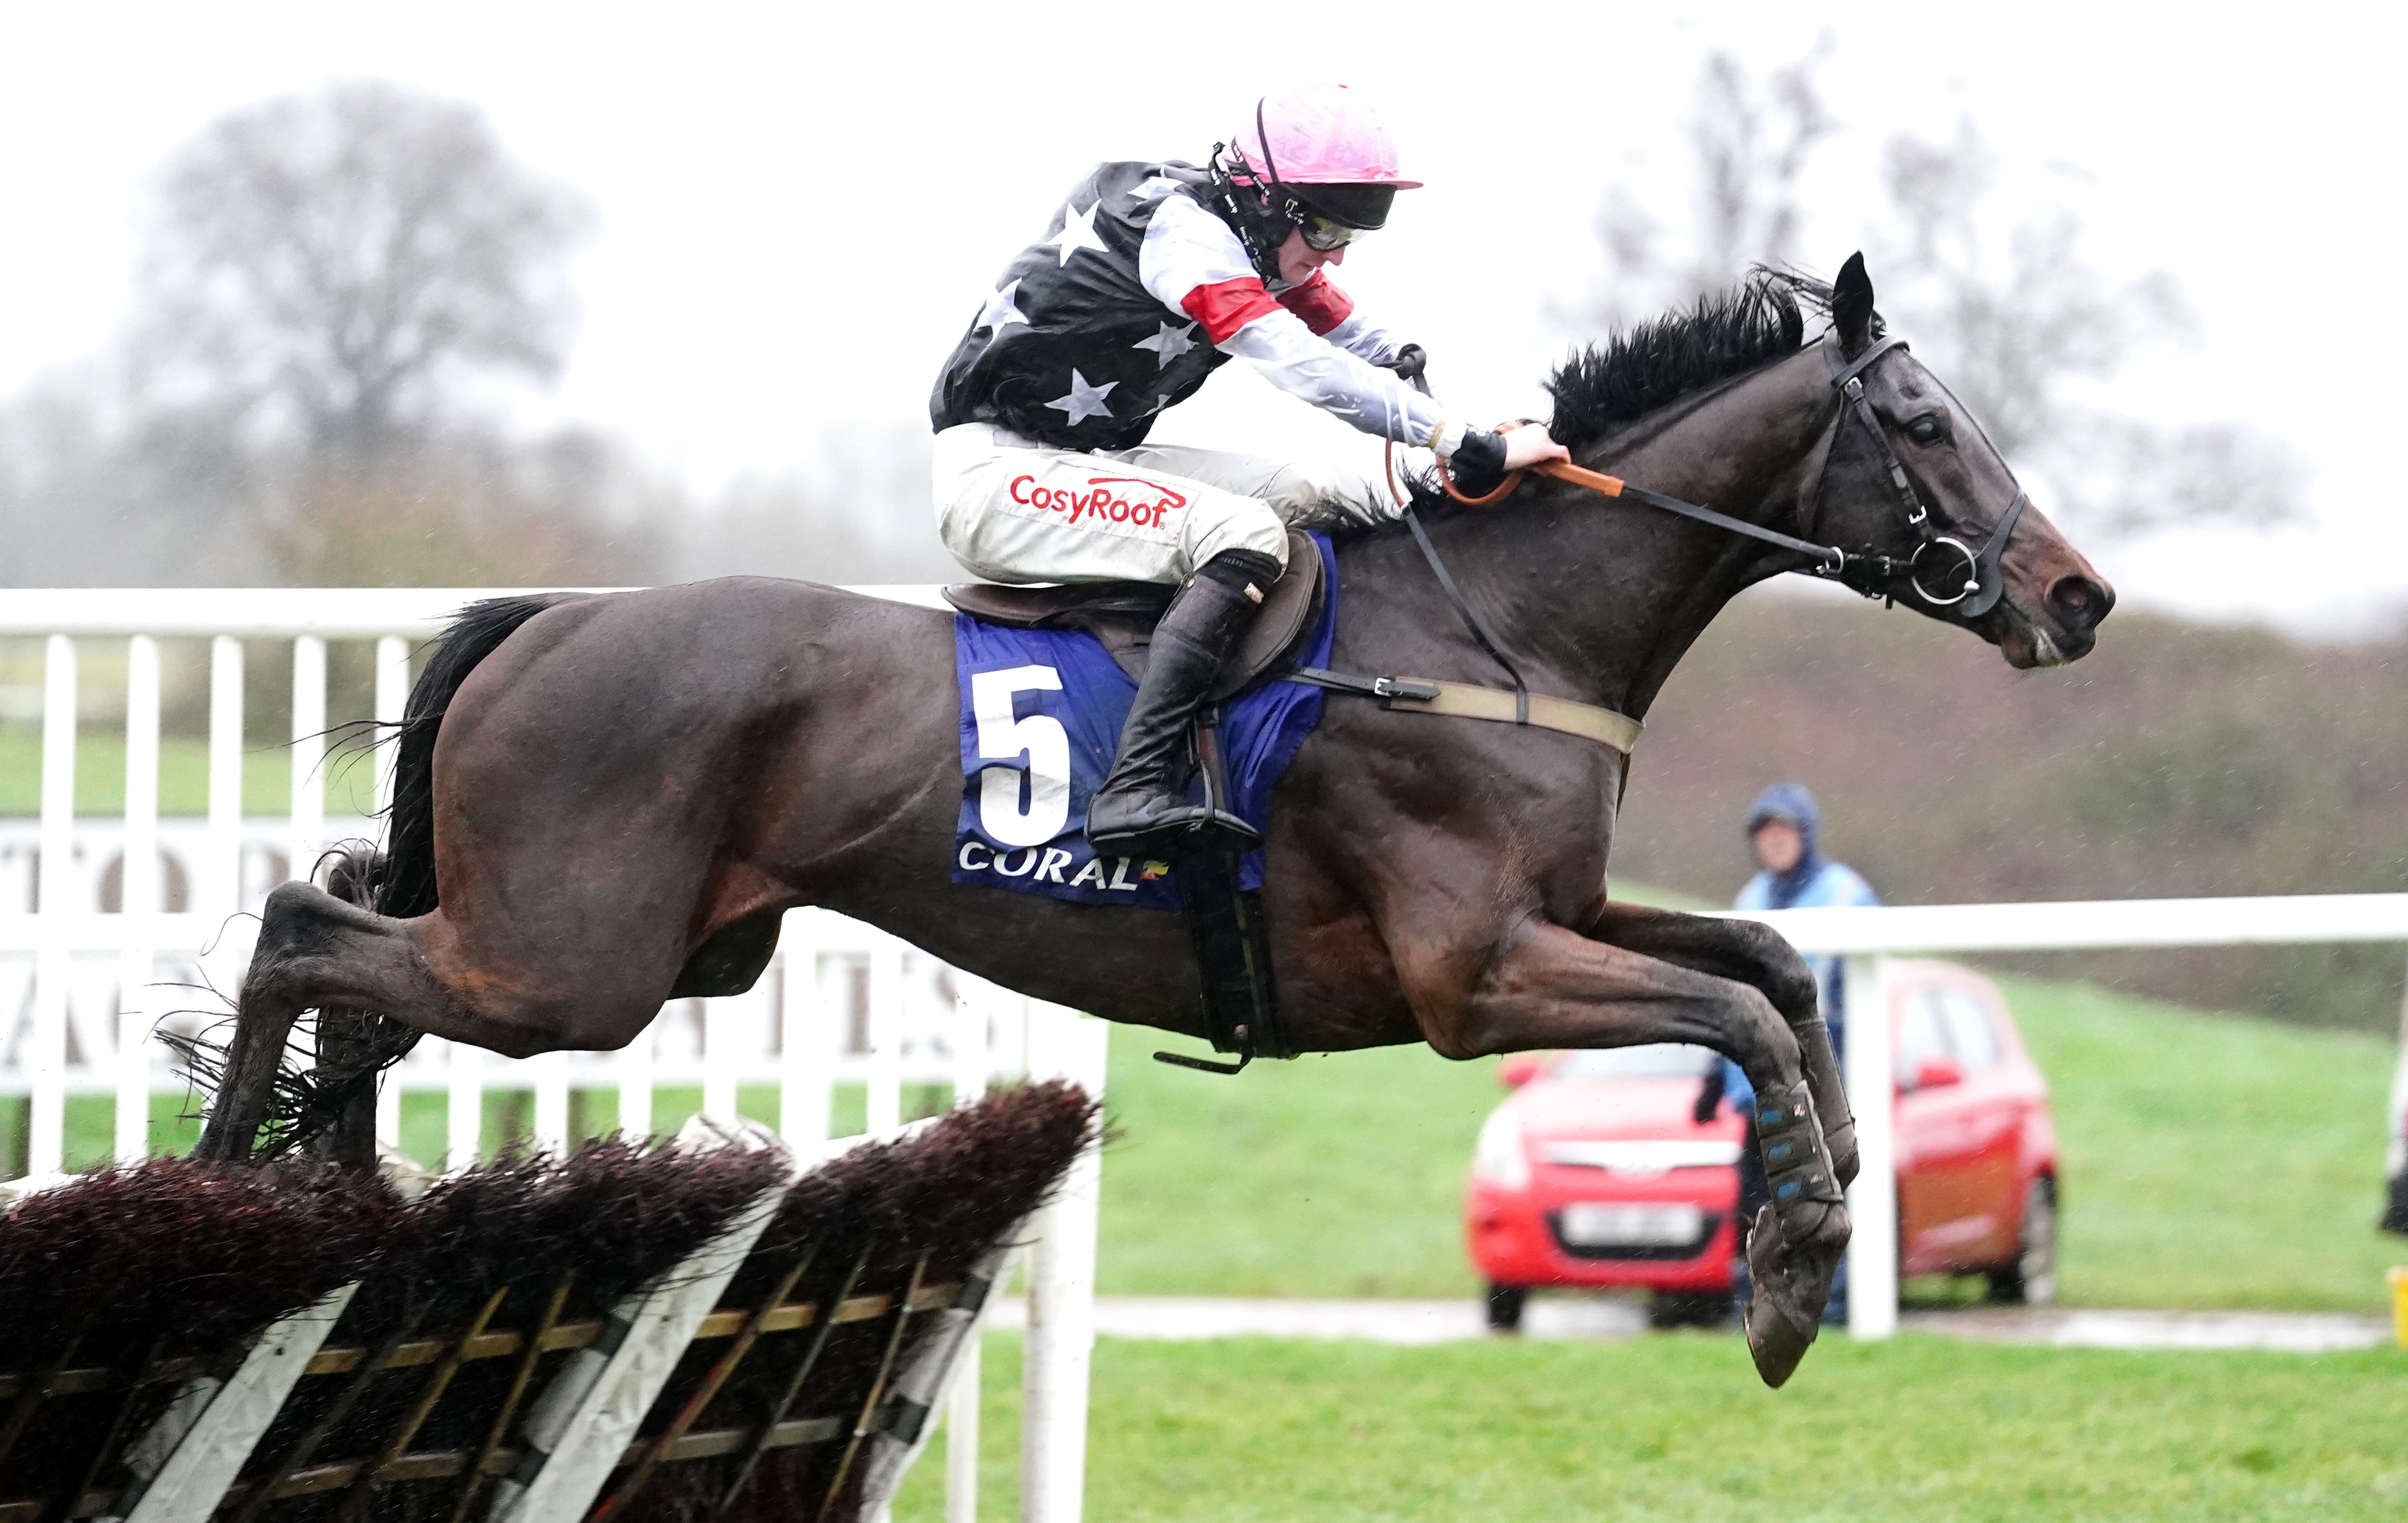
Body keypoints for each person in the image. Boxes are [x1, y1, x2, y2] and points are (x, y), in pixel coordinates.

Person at [929, 82, 1568, 860]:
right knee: (1246, 532)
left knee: (1313, 484)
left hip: (1079, 460)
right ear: (1265, 201)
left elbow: (1359, 339)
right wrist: (1465, 440)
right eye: (1326, 227)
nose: (1333, 251)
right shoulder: (1182, 234)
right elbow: (1305, 369)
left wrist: (1466, 440)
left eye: (1352, 234)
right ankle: (1134, 786)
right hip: (995, 481)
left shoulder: (1249, 234)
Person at [1696, 782, 1879, 1322]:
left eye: (1784, 832)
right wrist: (1712, 1075)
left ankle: (1832, 1307)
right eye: (1764, 834)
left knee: (1819, 1204)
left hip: (1822, 1090)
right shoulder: (1749, 900)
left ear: (1806, 835)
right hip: (1758, 1087)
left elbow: (1862, 997)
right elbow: (1733, 993)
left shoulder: (1848, 897)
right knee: (1755, 1203)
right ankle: (1755, 1309)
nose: (1774, 843)